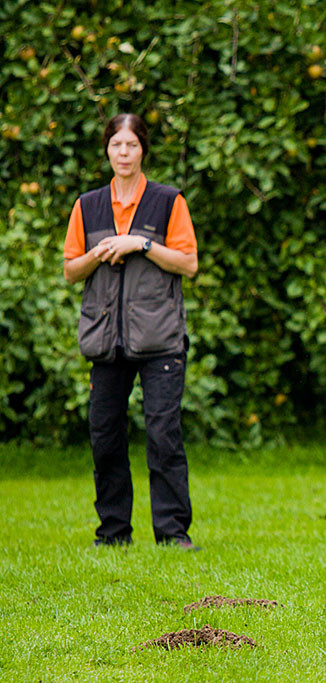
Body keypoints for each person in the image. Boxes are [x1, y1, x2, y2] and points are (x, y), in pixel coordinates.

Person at [63, 113, 199, 549]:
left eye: (132, 145)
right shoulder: (87, 205)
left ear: (143, 150)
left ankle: (173, 533)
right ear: (107, 150)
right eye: (116, 145)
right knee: (105, 437)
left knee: (163, 436)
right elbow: (70, 269)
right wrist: (99, 254)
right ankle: (113, 533)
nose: (124, 153)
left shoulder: (167, 201)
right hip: (105, 339)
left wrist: (140, 244)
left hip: (160, 339)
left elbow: (188, 264)